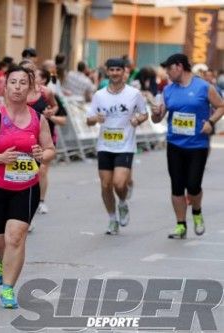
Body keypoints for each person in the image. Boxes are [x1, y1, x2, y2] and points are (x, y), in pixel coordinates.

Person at [0, 65, 56, 308]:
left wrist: (43, 154)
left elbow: (50, 150)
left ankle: (8, 289)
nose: (18, 87)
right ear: (5, 87)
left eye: (22, 83)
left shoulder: (38, 120)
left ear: (30, 88)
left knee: (16, 238)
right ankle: (1, 261)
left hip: (26, 187)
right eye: (13, 83)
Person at [151, 53, 224, 239]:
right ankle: (181, 225)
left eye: (169, 68)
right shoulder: (168, 90)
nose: (167, 72)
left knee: (193, 185)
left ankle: (197, 212)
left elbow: (221, 106)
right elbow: (158, 117)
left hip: (197, 145)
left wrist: (210, 122)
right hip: (175, 144)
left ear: (179, 66)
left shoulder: (203, 87)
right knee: (177, 186)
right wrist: (156, 114)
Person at [86, 58, 148, 235]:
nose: (114, 73)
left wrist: (137, 120)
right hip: (105, 145)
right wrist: (95, 119)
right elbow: (89, 120)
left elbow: (144, 114)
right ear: (107, 71)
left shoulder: (134, 94)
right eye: (111, 70)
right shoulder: (99, 95)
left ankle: (122, 203)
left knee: (119, 184)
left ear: (124, 72)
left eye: (118, 70)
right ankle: (112, 219)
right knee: (106, 185)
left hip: (125, 145)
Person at [20, 60, 65, 217]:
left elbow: (55, 106)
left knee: (42, 170)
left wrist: (51, 113)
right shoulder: (16, 92)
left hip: (44, 137)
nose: (28, 74)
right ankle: (26, 208)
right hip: (23, 139)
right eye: (24, 71)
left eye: (31, 71)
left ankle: (41, 201)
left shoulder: (45, 92)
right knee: (26, 173)